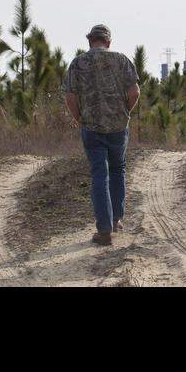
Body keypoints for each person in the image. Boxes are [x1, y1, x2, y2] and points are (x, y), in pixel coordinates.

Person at [61, 24, 140, 246]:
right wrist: (125, 112)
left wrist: (79, 118)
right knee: (118, 170)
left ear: (90, 41)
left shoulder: (78, 63)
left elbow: (70, 96)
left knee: (99, 174)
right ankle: (116, 220)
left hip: (92, 127)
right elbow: (134, 92)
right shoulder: (122, 60)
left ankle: (104, 230)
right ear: (108, 42)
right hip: (118, 126)